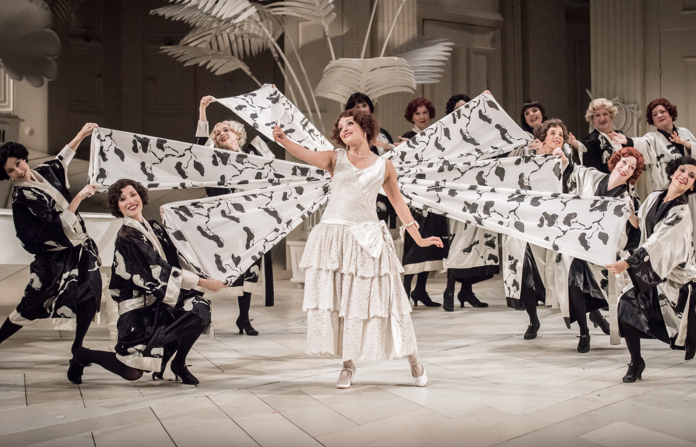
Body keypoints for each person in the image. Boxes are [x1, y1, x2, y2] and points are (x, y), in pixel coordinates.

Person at [272, 109, 443, 388]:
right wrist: (283, 140)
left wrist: (420, 237)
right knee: (343, 304)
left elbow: (399, 204)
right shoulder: (334, 158)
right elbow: (304, 153)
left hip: (369, 241)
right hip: (335, 239)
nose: (344, 129)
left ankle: (414, 360)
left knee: (390, 301)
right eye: (340, 127)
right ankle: (347, 367)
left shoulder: (384, 166)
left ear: (365, 128)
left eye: (349, 124)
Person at [67, 179, 224, 385]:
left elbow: (176, 254)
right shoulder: (127, 235)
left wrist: (171, 221)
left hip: (159, 301)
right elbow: (158, 270)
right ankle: (82, 355)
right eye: (122, 199)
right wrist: (203, 283)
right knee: (132, 372)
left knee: (198, 309)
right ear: (117, 206)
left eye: (133, 194)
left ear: (141, 195)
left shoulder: (153, 228)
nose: (130, 201)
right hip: (138, 309)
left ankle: (178, 363)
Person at [0, 124, 102, 382]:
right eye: (11, 170)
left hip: (79, 247)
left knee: (90, 292)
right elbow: (56, 224)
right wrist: (81, 196)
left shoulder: (42, 172)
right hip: (53, 259)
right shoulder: (23, 199)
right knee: (32, 303)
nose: (19, 171)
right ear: (6, 174)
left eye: (19, 163)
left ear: (24, 158)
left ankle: (77, 351)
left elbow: (61, 160)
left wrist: (81, 134)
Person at [607, 156, 696, 383]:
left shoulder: (682, 213)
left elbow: (658, 242)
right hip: (650, 271)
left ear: (693, 185)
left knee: (685, 334)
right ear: (673, 171)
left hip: (674, 278)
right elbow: (639, 224)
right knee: (626, 304)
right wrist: (626, 210)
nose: (684, 176)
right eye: (682, 170)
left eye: (691, 176)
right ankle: (636, 361)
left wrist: (627, 263)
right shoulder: (655, 196)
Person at [195, 95, 275, 335]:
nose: (221, 133)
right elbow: (198, 148)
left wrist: (267, 98)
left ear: (238, 134)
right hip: (223, 222)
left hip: (252, 223)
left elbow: (273, 166)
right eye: (217, 132)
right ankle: (200, 315)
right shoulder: (214, 160)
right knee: (217, 268)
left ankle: (244, 318)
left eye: (226, 129)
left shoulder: (254, 155)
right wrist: (202, 110)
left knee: (250, 269)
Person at [554, 147, 644, 353]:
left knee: (598, 289)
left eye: (631, 168)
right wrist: (562, 158)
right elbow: (572, 170)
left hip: (604, 252)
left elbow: (637, 229)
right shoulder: (593, 176)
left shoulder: (627, 198)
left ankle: (595, 316)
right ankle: (584, 332)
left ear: (633, 174)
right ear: (615, 161)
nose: (625, 168)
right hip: (579, 245)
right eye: (624, 163)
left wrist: (631, 216)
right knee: (573, 280)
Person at [503, 119, 569, 339]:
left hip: (552, 224)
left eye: (561, 134)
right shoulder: (528, 157)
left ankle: (591, 318)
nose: (557, 136)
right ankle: (533, 320)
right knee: (525, 274)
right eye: (552, 133)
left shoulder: (563, 160)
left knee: (566, 272)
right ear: (543, 137)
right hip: (525, 221)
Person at [443, 93, 498, 311]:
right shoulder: (448, 134)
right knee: (459, 243)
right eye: (459, 108)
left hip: (479, 192)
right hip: (457, 194)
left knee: (476, 245)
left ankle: (466, 291)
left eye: (467, 107)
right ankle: (448, 290)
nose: (463, 111)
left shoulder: (481, 132)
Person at [399, 97, 449, 307]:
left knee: (432, 242)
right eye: (417, 113)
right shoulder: (405, 139)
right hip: (413, 197)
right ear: (411, 116)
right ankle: (404, 292)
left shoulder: (437, 137)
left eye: (425, 113)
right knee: (413, 242)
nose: (421, 116)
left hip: (434, 195)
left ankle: (421, 290)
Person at [344, 92, 397, 228]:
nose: (362, 109)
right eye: (357, 107)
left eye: (364, 105)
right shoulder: (349, 134)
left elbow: (393, 161)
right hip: (360, 190)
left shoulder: (382, 134)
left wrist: (390, 147)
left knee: (379, 231)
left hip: (381, 189)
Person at [630, 98, 695, 194]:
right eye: (654, 114)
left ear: (671, 114)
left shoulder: (684, 132)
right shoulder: (651, 138)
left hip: (690, 189)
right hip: (665, 191)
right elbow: (641, 145)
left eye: (662, 111)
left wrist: (685, 143)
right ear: (653, 120)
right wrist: (626, 141)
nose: (659, 115)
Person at [568, 98, 631, 172]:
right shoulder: (592, 139)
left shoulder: (620, 134)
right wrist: (576, 145)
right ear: (592, 118)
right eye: (597, 115)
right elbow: (586, 151)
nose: (602, 118)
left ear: (611, 115)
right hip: (606, 182)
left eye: (605, 114)